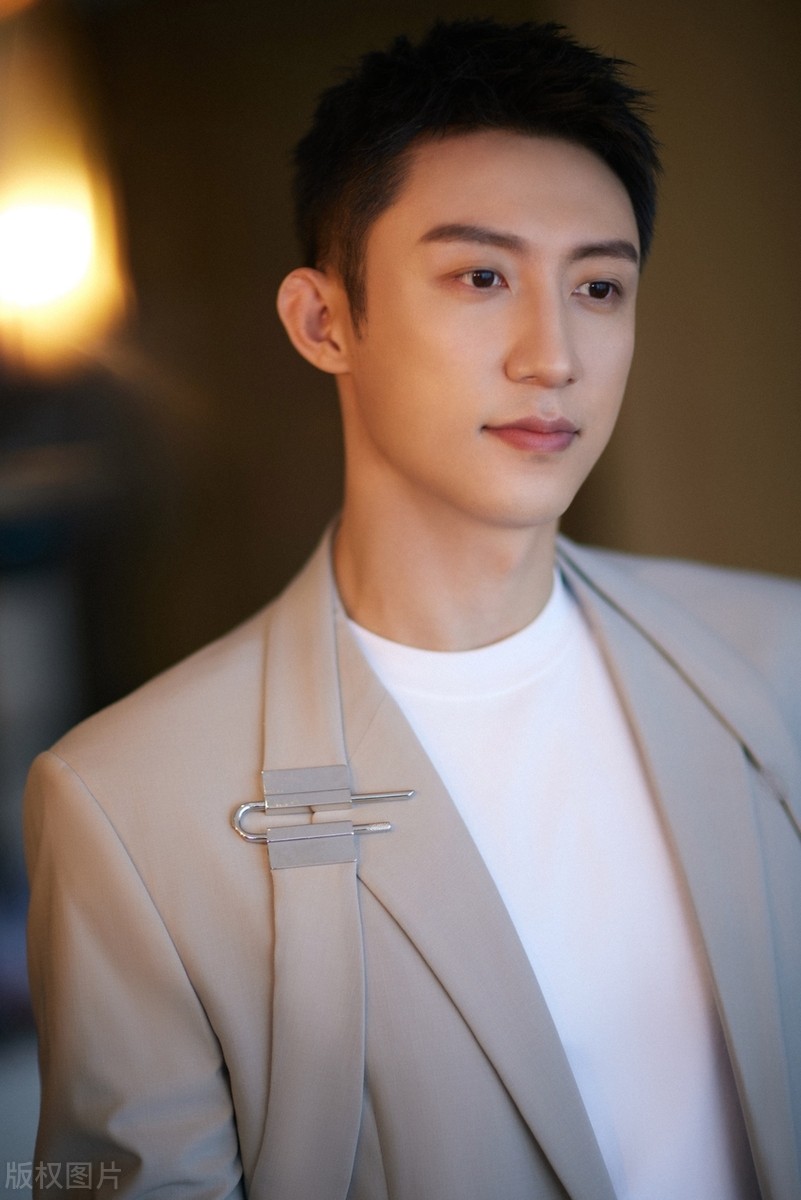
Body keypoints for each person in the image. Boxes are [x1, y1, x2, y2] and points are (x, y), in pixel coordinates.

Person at [24, 18, 801, 1200]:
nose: (554, 356)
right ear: (323, 321)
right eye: (482, 277)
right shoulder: (127, 806)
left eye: (598, 286)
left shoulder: (778, 657)